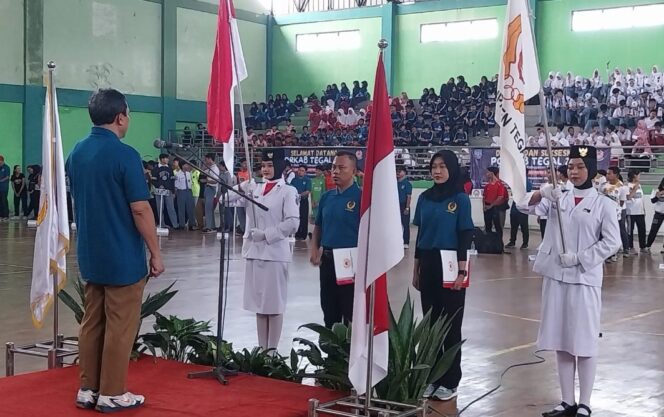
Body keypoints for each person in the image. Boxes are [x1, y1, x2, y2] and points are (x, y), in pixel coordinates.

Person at [66, 88, 164, 412]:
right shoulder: (126, 155)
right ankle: (112, 392)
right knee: (120, 327)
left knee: (92, 323)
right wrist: (155, 252)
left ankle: (87, 389)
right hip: (122, 256)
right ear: (121, 116)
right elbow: (140, 209)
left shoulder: (76, 153)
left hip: (91, 254)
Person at [524, 146, 620, 417]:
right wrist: (542, 193)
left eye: (580, 166)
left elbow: (613, 242)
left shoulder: (604, 204)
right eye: (570, 166)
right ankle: (566, 401)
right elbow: (523, 205)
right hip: (556, 277)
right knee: (562, 339)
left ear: (590, 168)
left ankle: (585, 403)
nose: (574, 171)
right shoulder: (558, 197)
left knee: (584, 342)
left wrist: (580, 257)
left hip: (584, 279)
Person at [412, 150, 474, 401]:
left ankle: (450, 381)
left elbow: (465, 235)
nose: (437, 171)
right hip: (428, 263)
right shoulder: (424, 198)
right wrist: (416, 268)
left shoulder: (460, 198)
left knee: (450, 325)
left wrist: (462, 271)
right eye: (434, 167)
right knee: (431, 324)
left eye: (442, 167)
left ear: (452, 168)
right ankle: (432, 377)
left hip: (451, 265)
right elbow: (420, 235)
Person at [229, 149, 299, 351]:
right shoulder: (255, 189)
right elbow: (225, 199)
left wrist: (268, 234)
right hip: (254, 252)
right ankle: (262, 348)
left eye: (270, 165)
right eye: (263, 166)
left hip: (275, 253)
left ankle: (272, 350)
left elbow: (293, 222)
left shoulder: (288, 191)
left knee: (274, 304)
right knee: (260, 304)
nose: (266, 170)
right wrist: (241, 186)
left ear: (279, 167)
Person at [310, 151, 361, 328]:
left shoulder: (361, 198)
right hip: (328, 260)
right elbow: (318, 227)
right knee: (329, 309)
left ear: (354, 171)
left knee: (350, 311)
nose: (336, 172)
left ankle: (349, 354)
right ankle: (331, 352)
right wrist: (314, 249)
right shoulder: (327, 197)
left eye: (341, 168)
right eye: (333, 167)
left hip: (350, 262)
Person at [601, 167, 629, 261]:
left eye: (609, 173)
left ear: (616, 175)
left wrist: (617, 210)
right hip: (605, 213)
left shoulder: (622, 187)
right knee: (606, 233)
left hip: (616, 213)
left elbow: (621, 201)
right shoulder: (603, 185)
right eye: (607, 173)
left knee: (619, 231)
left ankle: (624, 249)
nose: (607, 175)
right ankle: (609, 254)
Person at [151, 154, 178, 229]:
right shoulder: (156, 169)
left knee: (171, 207)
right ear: (162, 159)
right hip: (159, 191)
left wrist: (173, 191)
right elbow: (153, 180)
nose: (167, 160)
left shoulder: (170, 169)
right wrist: (158, 186)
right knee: (160, 208)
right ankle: (161, 224)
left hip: (168, 191)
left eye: (167, 159)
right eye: (166, 158)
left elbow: (172, 181)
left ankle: (175, 224)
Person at [483, 167, 508, 241]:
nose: (486, 174)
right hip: (487, 207)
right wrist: (484, 206)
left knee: (498, 227)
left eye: (488, 172)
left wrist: (491, 205)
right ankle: (488, 243)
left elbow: (500, 197)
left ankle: (499, 244)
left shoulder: (499, 185)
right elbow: (484, 197)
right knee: (488, 226)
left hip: (496, 208)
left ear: (492, 173)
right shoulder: (487, 185)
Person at [626, 170, 647, 254]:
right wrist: (635, 187)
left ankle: (643, 247)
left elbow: (641, 199)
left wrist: (644, 210)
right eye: (638, 175)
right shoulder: (627, 186)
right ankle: (630, 247)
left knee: (642, 230)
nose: (639, 177)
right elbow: (628, 197)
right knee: (630, 231)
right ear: (634, 176)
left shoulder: (640, 186)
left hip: (640, 212)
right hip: (631, 212)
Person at [506, 181, 532, 250]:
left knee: (524, 227)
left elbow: (526, 193)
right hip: (514, 208)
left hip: (523, 208)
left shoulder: (527, 182)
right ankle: (512, 241)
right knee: (513, 226)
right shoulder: (516, 182)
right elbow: (513, 192)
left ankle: (525, 243)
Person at [290, 165, 311, 240]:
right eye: (299, 170)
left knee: (304, 217)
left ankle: (303, 235)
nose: (300, 172)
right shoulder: (294, 180)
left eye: (302, 171)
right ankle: (297, 234)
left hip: (303, 201)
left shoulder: (308, 180)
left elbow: (308, 191)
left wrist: (299, 195)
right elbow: (291, 189)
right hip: (295, 201)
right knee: (296, 217)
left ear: (305, 172)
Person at [174, 159, 195, 230]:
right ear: (182, 166)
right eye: (186, 164)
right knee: (181, 208)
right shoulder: (178, 174)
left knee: (190, 208)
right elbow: (176, 186)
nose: (187, 166)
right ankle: (182, 224)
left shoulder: (189, 173)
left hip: (189, 191)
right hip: (181, 191)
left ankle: (191, 224)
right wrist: (176, 194)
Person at [201, 153, 220, 233]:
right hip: (208, 188)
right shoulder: (210, 167)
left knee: (208, 208)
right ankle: (211, 226)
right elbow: (201, 171)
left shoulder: (215, 168)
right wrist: (204, 165)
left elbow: (216, 180)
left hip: (211, 188)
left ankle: (209, 227)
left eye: (206, 159)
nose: (205, 161)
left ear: (210, 159)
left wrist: (206, 180)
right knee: (208, 208)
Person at [646, 177, 664, 252]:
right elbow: (653, 201)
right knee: (654, 230)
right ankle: (648, 246)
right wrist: (658, 196)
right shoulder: (656, 191)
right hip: (658, 214)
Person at [397, 166, 412, 249]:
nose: (398, 173)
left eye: (400, 171)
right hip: (396, 205)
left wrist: (407, 208)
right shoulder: (395, 183)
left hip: (404, 205)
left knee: (405, 224)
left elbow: (409, 196)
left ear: (404, 173)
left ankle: (406, 242)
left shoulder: (407, 183)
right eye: (397, 171)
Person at [0, 155, 10, 221]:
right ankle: (1, 216)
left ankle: (6, 216)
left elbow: (7, 177)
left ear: (2, 160)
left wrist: (1, 180)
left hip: (4, 188)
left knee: (4, 201)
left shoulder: (6, 167)